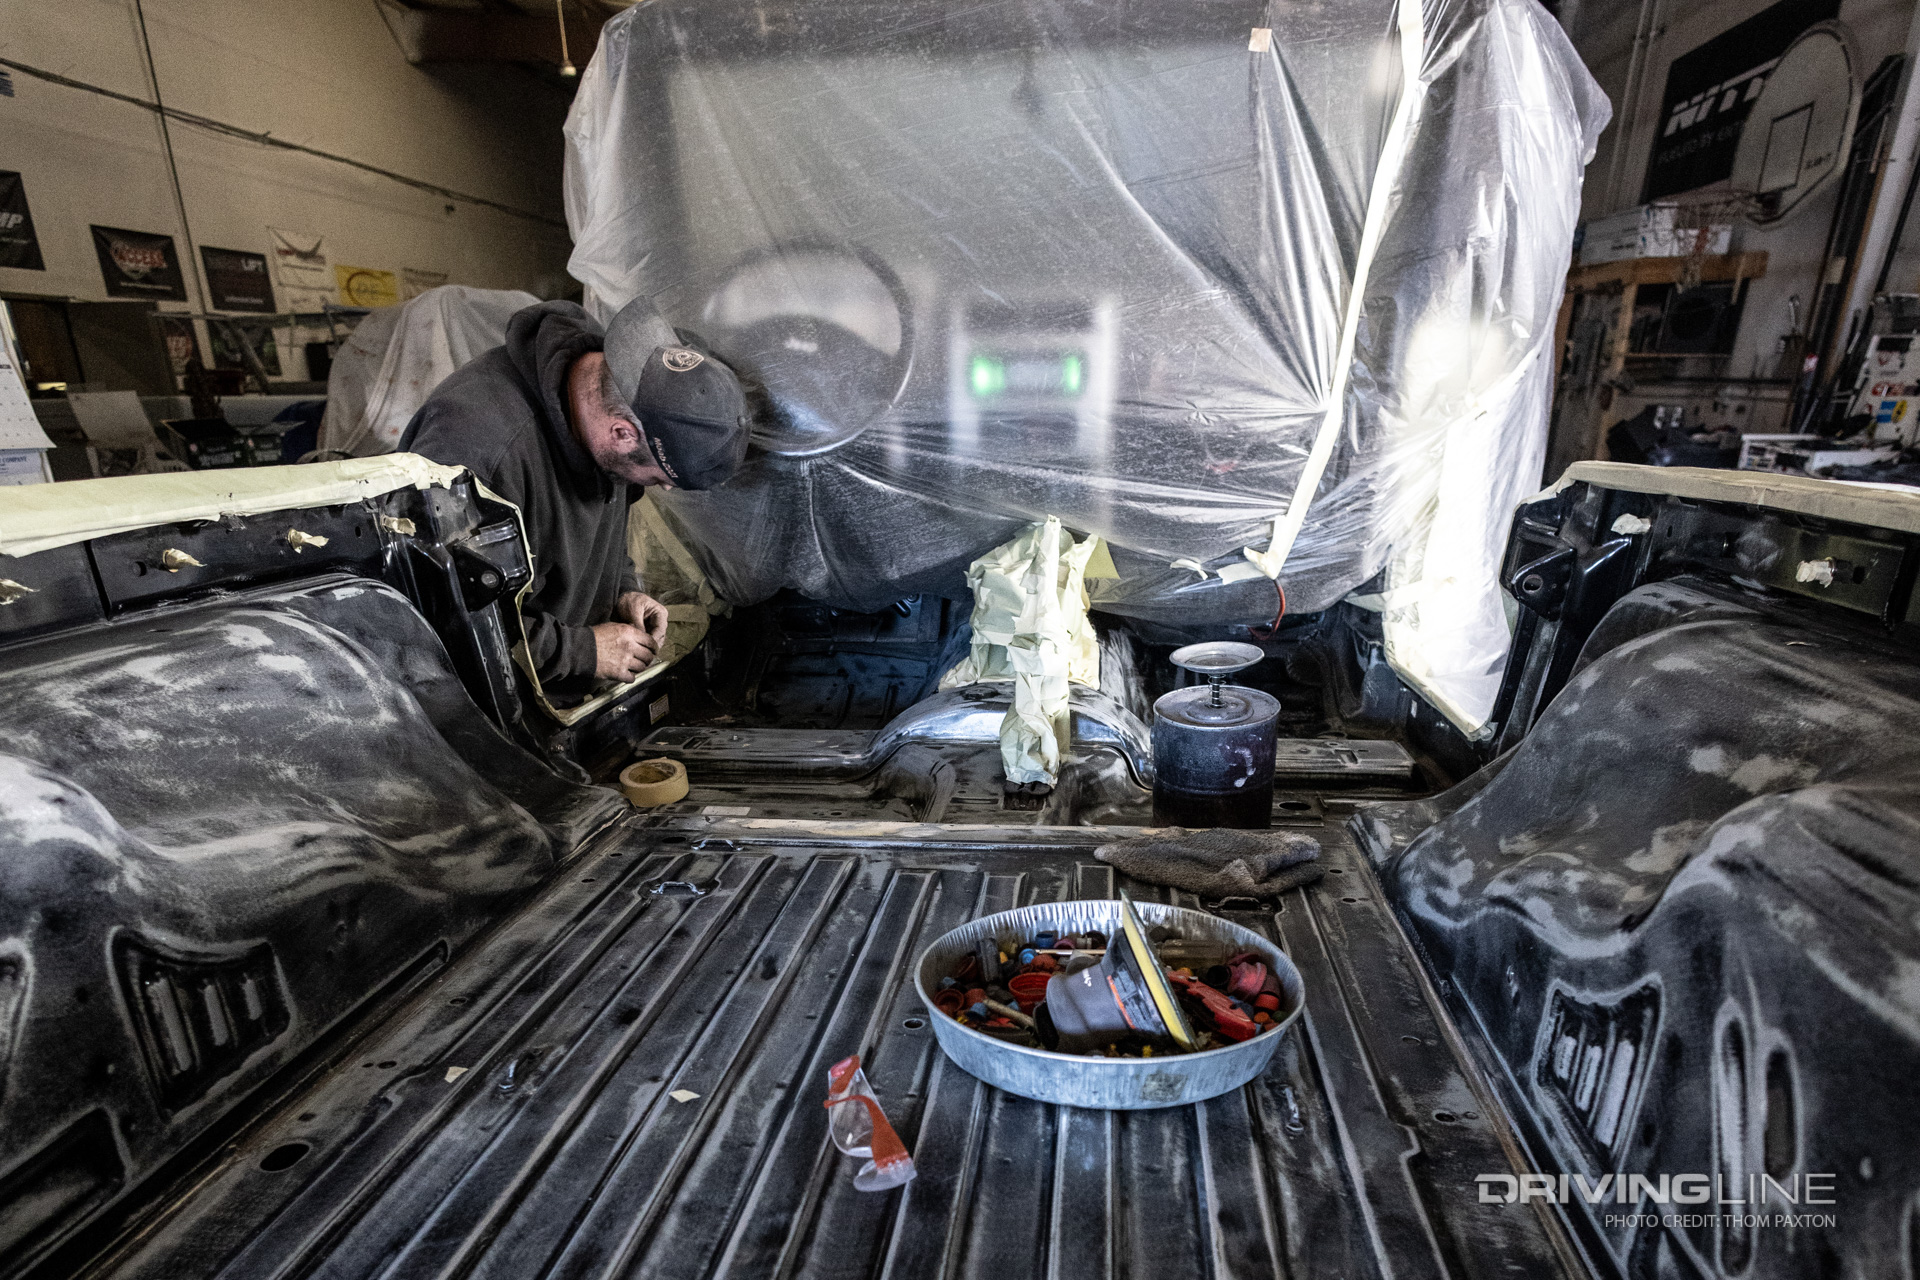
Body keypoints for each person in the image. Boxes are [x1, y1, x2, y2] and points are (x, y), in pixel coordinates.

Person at [401, 295, 750, 702]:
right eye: (659, 476)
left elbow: (602, 526)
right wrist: (582, 651)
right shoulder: (475, 450)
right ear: (623, 434)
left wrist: (621, 590)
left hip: (560, 696)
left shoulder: (605, 394)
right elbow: (441, 622)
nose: (664, 488)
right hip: (487, 715)